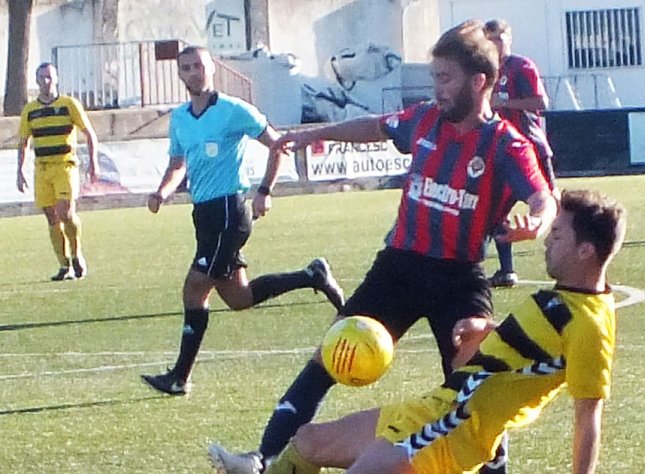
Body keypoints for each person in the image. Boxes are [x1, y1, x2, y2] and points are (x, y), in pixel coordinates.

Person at [208, 21, 557, 474]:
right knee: (331, 354)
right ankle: (264, 457)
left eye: (445, 78)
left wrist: (538, 221)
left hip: (458, 275)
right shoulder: (425, 120)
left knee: (474, 383)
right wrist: (317, 134)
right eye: (434, 77)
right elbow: (376, 127)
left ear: (480, 81)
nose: (437, 89)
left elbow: (542, 196)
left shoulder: (505, 144)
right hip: (398, 266)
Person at [257, 189, 627, 474]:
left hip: (454, 431)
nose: (547, 240)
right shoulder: (566, 298)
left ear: (585, 252)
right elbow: (539, 355)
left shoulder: (591, 325)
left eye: (558, 235)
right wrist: (489, 330)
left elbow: (588, 415)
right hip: (434, 410)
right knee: (307, 442)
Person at [140, 46, 345, 396]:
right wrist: (163, 191)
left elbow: (276, 143)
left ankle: (179, 377)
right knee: (238, 297)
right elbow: (178, 163)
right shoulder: (180, 118)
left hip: (228, 212)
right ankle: (312, 275)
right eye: (186, 68)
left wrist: (265, 190)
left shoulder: (233, 109)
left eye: (198, 66)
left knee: (194, 288)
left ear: (212, 69)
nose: (193, 72)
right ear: (180, 74)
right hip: (204, 214)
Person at [483, 19, 558, 289]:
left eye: (499, 39)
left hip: (531, 149)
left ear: (509, 38)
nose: (495, 44)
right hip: (500, 152)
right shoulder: (485, 71)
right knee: (492, 211)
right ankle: (506, 270)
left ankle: (570, 260)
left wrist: (504, 102)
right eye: (490, 40)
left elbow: (541, 103)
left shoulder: (521, 66)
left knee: (553, 208)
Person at [17, 62, 99, 281]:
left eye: (49, 77)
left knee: (66, 213)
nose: (46, 82)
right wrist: (20, 170)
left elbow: (89, 134)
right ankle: (64, 266)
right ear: (36, 81)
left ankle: (76, 254)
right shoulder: (30, 110)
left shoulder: (68, 104)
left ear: (57, 79)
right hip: (42, 169)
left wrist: (93, 162)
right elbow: (24, 142)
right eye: (42, 78)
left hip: (65, 165)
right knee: (51, 217)